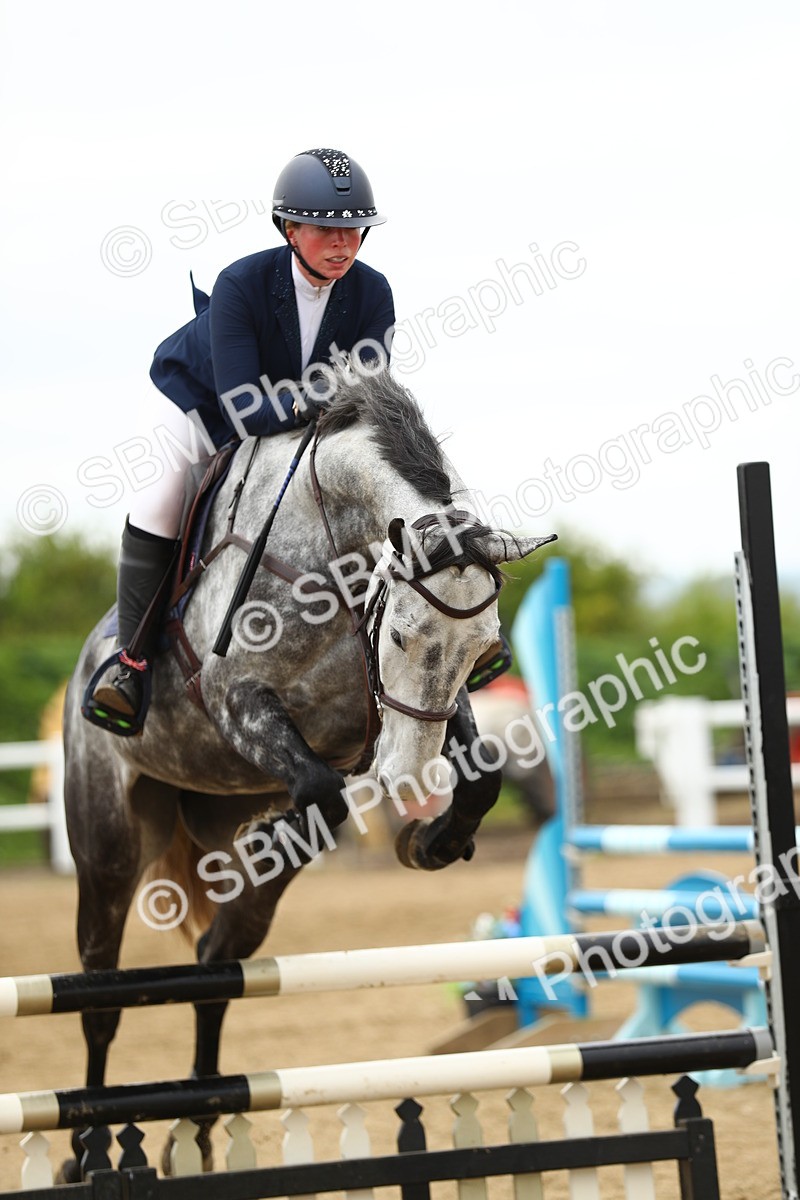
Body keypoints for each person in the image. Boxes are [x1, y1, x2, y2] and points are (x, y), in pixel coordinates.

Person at [84, 148, 395, 736]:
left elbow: (370, 390)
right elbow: (245, 408)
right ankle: (129, 664)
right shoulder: (243, 284)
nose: (344, 243)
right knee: (158, 501)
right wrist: (319, 401)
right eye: (328, 228)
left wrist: (331, 408)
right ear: (290, 228)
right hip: (202, 405)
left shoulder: (372, 293)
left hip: (304, 420)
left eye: (355, 229)